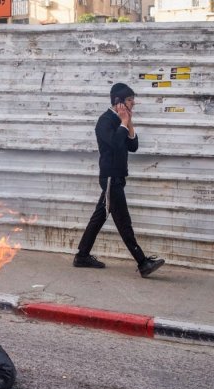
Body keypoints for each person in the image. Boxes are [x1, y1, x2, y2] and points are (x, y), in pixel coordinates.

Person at [73, 83, 165, 278]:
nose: (134, 103)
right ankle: (143, 262)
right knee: (123, 221)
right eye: (131, 100)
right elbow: (115, 145)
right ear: (119, 102)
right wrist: (124, 122)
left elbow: (133, 146)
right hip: (110, 178)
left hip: (118, 177)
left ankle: (82, 256)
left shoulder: (121, 121)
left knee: (99, 217)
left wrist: (128, 123)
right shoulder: (105, 121)